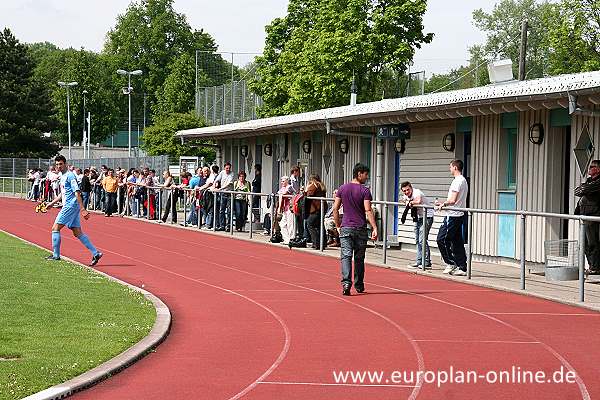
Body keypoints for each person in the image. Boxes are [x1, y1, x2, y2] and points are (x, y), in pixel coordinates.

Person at [43, 156, 102, 266]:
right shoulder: (62, 175)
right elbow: (63, 193)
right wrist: (51, 203)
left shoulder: (70, 175)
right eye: (57, 164)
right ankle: (96, 253)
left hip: (70, 206)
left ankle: (56, 255)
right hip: (71, 206)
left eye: (60, 164)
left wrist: (83, 209)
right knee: (77, 232)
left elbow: (77, 192)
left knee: (55, 228)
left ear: (65, 164)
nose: (59, 166)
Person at [333, 163, 377, 296]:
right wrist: (374, 227)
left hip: (346, 227)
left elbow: (335, 208)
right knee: (359, 258)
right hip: (360, 228)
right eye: (365, 174)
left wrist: (337, 225)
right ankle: (359, 284)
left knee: (346, 256)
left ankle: (346, 283)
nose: (367, 177)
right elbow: (368, 210)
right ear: (359, 174)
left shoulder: (342, 188)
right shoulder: (365, 191)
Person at [435, 159, 469, 276]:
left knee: (441, 239)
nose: (449, 169)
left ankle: (450, 262)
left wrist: (443, 204)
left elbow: (453, 200)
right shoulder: (463, 180)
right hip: (459, 214)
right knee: (457, 241)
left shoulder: (457, 181)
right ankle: (462, 267)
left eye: (450, 167)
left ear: (455, 168)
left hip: (453, 215)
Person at [401, 181, 434, 269]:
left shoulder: (417, 192)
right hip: (417, 217)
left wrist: (410, 203)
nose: (406, 192)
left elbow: (418, 201)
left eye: (408, 190)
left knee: (422, 240)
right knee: (417, 240)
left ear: (411, 188)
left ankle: (426, 262)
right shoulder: (406, 196)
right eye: (404, 191)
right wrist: (406, 202)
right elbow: (403, 200)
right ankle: (419, 261)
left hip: (427, 216)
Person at [575, 160, 600, 274]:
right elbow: (577, 191)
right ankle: (591, 266)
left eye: (592, 166)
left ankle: (595, 267)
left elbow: (584, 190)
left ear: (598, 169)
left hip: (593, 216)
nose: (589, 169)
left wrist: (584, 188)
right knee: (585, 244)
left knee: (593, 243)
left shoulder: (598, 182)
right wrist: (584, 188)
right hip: (585, 216)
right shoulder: (590, 181)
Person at [305, 174, 327, 249]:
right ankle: (323, 243)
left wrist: (306, 189)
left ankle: (316, 243)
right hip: (323, 207)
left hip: (315, 208)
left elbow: (308, 195)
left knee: (310, 224)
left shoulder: (314, 185)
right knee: (320, 225)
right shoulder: (322, 185)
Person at [214, 162, 234, 231]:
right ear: (224, 168)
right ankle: (222, 225)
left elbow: (228, 184)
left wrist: (220, 188)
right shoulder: (222, 172)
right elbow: (217, 179)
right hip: (223, 194)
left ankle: (228, 226)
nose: (228, 169)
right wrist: (215, 184)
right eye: (226, 168)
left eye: (229, 168)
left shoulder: (231, 174)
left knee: (229, 211)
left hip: (229, 193)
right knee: (221, 210)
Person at [277, 175, 296, 244]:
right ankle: (286, 239)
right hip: (284, 208)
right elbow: (279, 194)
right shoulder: (282, 188)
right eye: (281, 181)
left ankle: (291, 238)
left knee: (290, 224)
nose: (282, 182)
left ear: (287, 181)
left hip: (290, 208)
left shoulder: (290, 187)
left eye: (283, 181)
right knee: (282, 224)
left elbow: (285, 194)